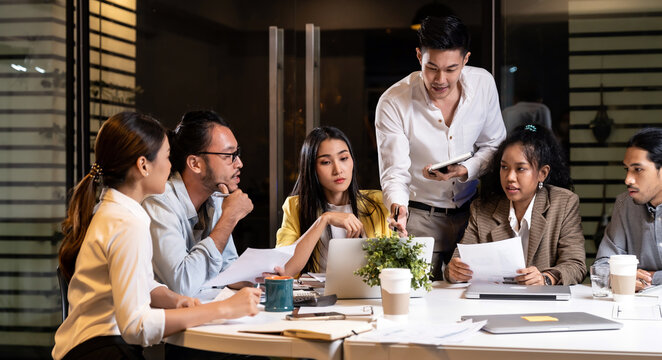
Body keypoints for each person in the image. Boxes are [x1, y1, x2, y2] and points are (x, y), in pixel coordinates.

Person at [53, 112, 260, 360]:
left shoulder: (116, 211)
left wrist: (174, 300)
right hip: (103, 351)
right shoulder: (129, 222)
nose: (172, 166)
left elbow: (135, 281)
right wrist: (223, 309)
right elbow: (135, 326)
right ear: (143, 165)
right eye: (167, 157)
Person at [375, 15, 506, 279]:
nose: (440, 79)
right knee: (418, 300)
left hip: (473, 216)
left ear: (466, 60)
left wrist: (464, 170)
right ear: (418, 57)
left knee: (474, 297)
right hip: (420, 217)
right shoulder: (393, 102)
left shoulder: (483, 85)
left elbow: (495, 146)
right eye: (431, 68)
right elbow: (394, 173)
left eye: (451, 69)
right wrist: (398, 209)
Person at [446, 124, 586, 285]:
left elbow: (576, 265)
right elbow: (459, 260)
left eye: (520, 169)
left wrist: (546, 278)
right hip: (494, 302)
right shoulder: (482, 207)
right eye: (504, 167)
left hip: (543, 303)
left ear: (542, 173)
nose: (510, 177)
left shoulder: (564, 203)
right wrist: (454, 271)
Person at [142, 110, 253, 297]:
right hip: (160, 322)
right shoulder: (159, 203)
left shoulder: (215, 199)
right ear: (195, 164)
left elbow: (226, 269)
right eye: (228, 156)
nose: (239, 163)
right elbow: (183, 284)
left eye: (237, 153)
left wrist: (259, 276)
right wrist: (229, 218)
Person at [275, 126, 390, 276]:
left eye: (343, 158)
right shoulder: (296, 207)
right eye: (326, 162)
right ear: (311, 168)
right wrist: (325, 219)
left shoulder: (378, 202)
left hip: (370, 297)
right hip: (321, 297)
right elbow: (284, 270)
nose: (338, 170)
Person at [595, 128, 662, 291]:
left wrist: (652, 277)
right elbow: (601, 267)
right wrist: (620, 277)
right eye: (627, 169)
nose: (628, 179)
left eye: (638, 169)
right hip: (637, 306)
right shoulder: (624, 204)